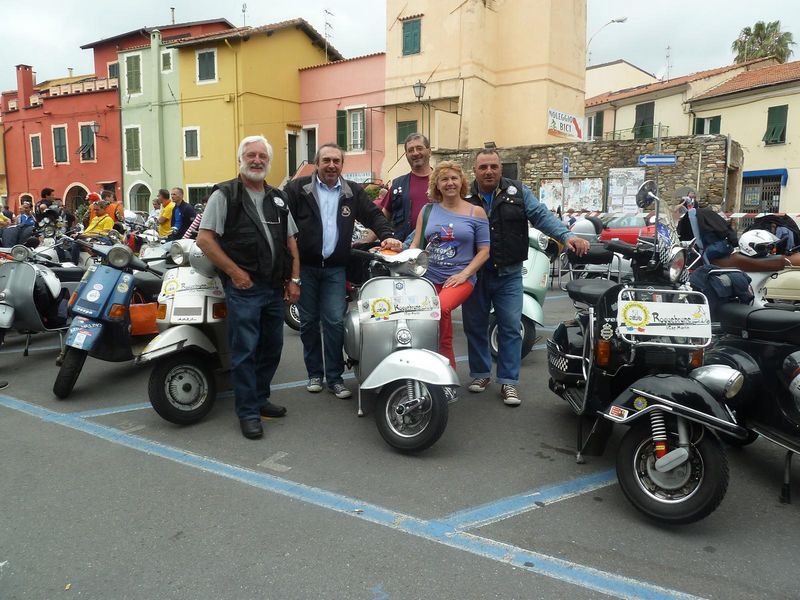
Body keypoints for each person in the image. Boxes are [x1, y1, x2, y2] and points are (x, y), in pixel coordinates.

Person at [462, 149, 590, 406]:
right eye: (483, 167)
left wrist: (566, 236)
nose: (489, 171)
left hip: (508, 274)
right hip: (475, 274)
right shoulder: (465, 197)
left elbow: (542, 216)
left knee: (510, 327)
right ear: (475, 170)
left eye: (494, 166)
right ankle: (480, 374)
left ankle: (508, 382)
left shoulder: (518, 192)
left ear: (501, 169)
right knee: (474, 326)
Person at [196, 135, 300, 440]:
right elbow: (204, 239)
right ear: (240, 159)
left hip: (273, 287)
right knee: (245, 351)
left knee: (272, 347)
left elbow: (291, 240)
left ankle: (260, 398)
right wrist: (235, 273)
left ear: (269, 161)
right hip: (244, 288)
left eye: (262, 156)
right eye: (251, 155)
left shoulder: (277, 197)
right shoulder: (225, 194)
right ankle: (248, 412)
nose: (257, 160)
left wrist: (294, 280)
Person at [284, 143, 402, 399]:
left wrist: (388, 236)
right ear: (317, 163)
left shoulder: (351, 192)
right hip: (305, 267)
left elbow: (374, 215)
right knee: (308, 324)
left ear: (342, 165)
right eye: (326, 160)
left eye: (336, 161)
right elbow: (283, 226)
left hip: (336, 269)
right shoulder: (296, 188)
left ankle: (335, 378)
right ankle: (315, 374)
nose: (331, 165)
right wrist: (288, 272)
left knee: (335, 322)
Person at [409, 161, 490, 368]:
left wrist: (464, 274)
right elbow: (416, 245)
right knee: (420, 322)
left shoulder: (476, 212)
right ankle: (427, 369)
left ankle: (448, 374)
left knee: (442, 309)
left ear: (461, 182)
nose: (450, 183)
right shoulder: (427, 210)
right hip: (429, 277)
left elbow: (484, 251)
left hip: (460, 278)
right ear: (437, 184)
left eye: (454, 178)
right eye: (444, 179)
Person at [380, 133, 433, 243]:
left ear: (429, 151)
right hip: (404, 251)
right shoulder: (398, 184)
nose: (415, 153)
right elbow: (382, 219)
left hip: (437, 249)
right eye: (410, 150)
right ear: (406, 155)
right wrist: (366, 240)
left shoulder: (443, 182)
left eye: (419, 148)